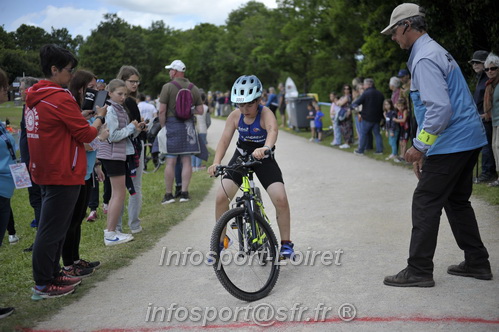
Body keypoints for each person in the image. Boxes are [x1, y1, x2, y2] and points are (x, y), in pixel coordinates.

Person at [381, 3, 491, 287]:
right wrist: (425, 149)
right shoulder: (434, 50)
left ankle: (418, 270)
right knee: (456, 201)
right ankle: (477, 262)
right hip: (466, 140)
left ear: (406, 26)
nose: (393, 38)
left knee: (425, 201)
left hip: (453, 141)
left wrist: (419, 146)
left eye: (394, 31)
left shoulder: (425, 59)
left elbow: (439, 110)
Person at [26, 44, 106, 298]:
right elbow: (85, 133)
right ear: (54, 69)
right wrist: (99, 118)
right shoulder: (59, 97)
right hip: (63, 170)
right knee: (51, 230)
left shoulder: (35, 96)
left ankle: (53, 273)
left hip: (47, 168)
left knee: (55, 228)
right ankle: (44, 282)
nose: (72, 75)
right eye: (69, 70)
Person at [207, 75, 295, 259]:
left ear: (259, 100)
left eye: (249, 104)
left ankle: (286, 244)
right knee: (221, 197)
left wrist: (266, 148)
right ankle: (222, 241)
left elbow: (272, 130)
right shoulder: (235, 116)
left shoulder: (265, 113)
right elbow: (224, 140)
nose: (244, 109)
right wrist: (216, 162)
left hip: (263, 157)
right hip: (241, 156)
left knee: (281, 199)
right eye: (240, 105)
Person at [62, 69, 107, 277]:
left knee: (78, 218)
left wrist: (96, 165)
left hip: (86, 171)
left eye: (96, 87)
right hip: (75, 172)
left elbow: (90, 143)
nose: (94, 91)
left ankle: (76, 259)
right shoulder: (75, 110)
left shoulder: (85, 112)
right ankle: (68, 264)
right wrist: (100, 134)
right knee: (71, 221)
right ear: (80, 88)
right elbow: (84, 142)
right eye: (90, 88)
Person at [97, 79, 144, 245]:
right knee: (119, 194)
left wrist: (136, 129)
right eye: (119, 94)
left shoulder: (117, 108)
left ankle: (112, 230)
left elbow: (122, 136)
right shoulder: (111, 110)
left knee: (116, 194)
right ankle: (110, 233)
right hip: (112, 154)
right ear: (110, 93)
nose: (123, 97)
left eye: (125, 94)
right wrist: (131, 127)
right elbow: (113, 136)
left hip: (116, 154)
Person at [159, 60, 203, 204]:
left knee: (170, 161)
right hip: (188, 127)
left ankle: (168, 194)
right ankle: (184, 193)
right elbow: (200, 110)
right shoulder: (193, 87)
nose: (169, 72)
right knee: (186, 161)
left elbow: (162, 110)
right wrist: (188, 110)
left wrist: (163, 126)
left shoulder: (168, 87)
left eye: (170, 70)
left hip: (172, 125)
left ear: (175, 71)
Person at [116, 66, 146, 234]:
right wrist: (141, 127)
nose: (135, 85)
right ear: (123, 80)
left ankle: (118, 227)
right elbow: (133, 128)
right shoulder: (128, 102)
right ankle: (133, 224)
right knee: (134, 187)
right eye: (131, 81)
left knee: (120, 190)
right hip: (131, 147)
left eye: (137, 81)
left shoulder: (116, 101)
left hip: (120, 148)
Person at [18, 76, 41, 252]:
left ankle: (41, 240)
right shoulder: (27, 107)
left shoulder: (33, 107)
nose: (19, 92)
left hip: (34, 163)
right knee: (35, 200)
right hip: (28, 161)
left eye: (22, 88)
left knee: (38, 199)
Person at [470, 50, 497, 184]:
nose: (474, 65)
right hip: (480, 117)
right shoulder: (480, 78)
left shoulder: (488, 78)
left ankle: (488, 173)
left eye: (478, 63)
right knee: (486, 146)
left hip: (487, 118)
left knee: (488, 147)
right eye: (473, 62)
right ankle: (486, 172)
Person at [351, 78, 385, 155]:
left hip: (367, 117)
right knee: (377, 134)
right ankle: (379, 150)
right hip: (377, 117)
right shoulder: (380, 93)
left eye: (364, 84)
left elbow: (357, 102)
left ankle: (361, 150)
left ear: (369, 84)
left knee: (363, 134)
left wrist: (353, 107)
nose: (364, 86)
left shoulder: (366, 94)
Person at [483, 53, 499, 187]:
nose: (490, 71)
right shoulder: (490, 85)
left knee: (498, 146)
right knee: (494, 147)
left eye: (493, 68)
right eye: (487, 69)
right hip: (494, 121)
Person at [192, 92, 208, 171]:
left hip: (193, 130)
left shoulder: (192, 107)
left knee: (193, 148)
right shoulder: (205, 107)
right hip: (202, 129)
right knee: (201, 148)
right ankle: (198, 165)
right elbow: (208, 121)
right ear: (204, 99)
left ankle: (193, 165)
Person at [393, 97, 410, 162]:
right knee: (400, 142)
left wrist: (396, 120)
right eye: (398, 106)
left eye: (401, 106)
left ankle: (403, 156)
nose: (400, 108)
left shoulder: (405, 111)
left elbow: (404, 120)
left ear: (404, 106)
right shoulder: (398, 111)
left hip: (406, 129)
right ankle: (401, 155)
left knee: (404, 142)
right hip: (401, 128)